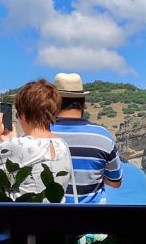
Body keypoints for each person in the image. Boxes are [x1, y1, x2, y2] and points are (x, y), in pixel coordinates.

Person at [0, 79, 71, 200]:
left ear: (23, 115)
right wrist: (12, 141)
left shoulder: (17, 146)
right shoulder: (63, 145)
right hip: (55, 217)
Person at [50, 73, 122, 204]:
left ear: (54, 103)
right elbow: (116, 182)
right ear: (83, 103)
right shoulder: (102, 136)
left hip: (49, 220)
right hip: (91, 220)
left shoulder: (41, 134)